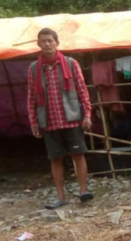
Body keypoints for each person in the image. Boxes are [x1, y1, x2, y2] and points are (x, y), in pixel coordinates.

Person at [26, 28, 93, 209]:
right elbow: (32, 97)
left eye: (50, 40)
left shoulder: (70, 64)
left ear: (57, 42)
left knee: (78, 155)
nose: (47, 44)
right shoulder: (34, 69)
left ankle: (84, 191)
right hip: (49, 120)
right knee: (55, 158)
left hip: (71, 118)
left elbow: (82, 90)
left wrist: (87, 113)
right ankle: (61, 196)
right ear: (38, 44)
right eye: (43, 41)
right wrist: (33, 121)